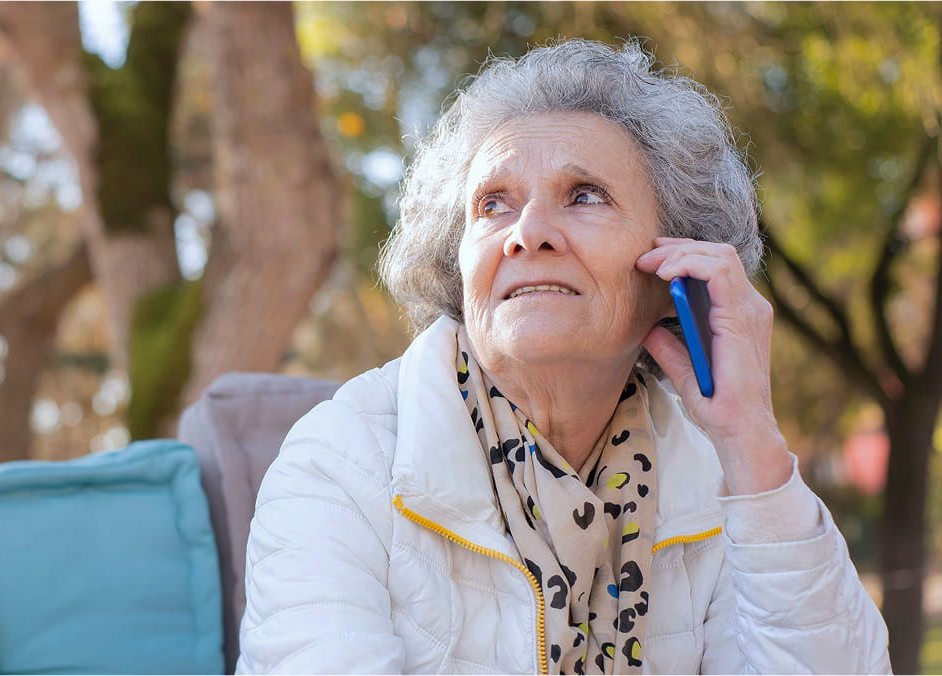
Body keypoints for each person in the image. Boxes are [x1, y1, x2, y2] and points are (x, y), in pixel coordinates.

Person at [236, 39, 890, 674]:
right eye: (493, 205)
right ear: (459, 268)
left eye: (584, 195)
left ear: (674, 270)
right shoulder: (337, 465)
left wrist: (750, 440)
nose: (527, 234)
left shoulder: (711, 478)